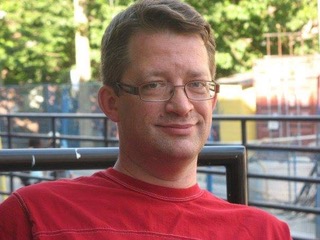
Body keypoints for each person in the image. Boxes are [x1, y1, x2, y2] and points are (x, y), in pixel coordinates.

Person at [0, 0, 291, 239]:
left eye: (198, 84)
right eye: (155, 85)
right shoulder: (34, 217)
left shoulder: (265, 232)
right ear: (111, 103)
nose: (181, 105)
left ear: (212, 100)